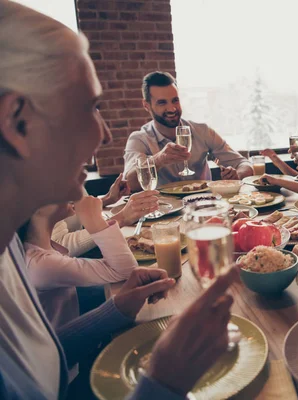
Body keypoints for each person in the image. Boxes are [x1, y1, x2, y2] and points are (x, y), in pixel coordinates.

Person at [0, 2, 237, 399]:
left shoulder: (9, 252)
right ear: (17, 122)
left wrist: (117, 309)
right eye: (91, 107)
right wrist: (163, 383)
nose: (105, 134)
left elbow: (44, 358)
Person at [123, 72, 253, 190]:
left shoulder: (202, 131)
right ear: (146, 106)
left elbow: (244, 164)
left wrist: (237, 176)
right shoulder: (139, 139)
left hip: (204, 207)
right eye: (162, 103)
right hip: (164, 209)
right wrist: (159, 160)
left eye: (175, 100)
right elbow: (129, 183)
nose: (172, 109)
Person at [22, 196, 138, 329]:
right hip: (70, 346)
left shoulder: (41, 248)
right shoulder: (42, 264)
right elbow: (127, 270)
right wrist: (94, 220)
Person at [52, 175, 159, 257]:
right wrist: (121, 219)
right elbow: (60, 245)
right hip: (67, 272)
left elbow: (69, 208)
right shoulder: (44, 179)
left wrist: (108, 199)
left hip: (82, 255)